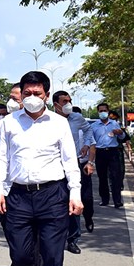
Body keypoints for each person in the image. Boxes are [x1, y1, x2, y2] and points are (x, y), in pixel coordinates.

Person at [0, 71, 83, 266]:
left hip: (52, 195)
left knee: (53, 258)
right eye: (27, 94)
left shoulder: (58, 123)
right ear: (22, 94)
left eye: (37, 94)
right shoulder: (9, 123)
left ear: (46, 94)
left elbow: (69, 161)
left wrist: (74, 194)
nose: (32, 98)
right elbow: (1, 159)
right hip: (18, 196)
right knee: (21, 255)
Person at [52, 91, 95, 254]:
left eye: (70, 100)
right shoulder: (49, 119)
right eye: (65, 101)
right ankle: (56, 238)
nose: (68, 104)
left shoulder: (77, 118)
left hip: (74, 162)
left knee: (75, 199)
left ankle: (73, 239)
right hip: (55, 165)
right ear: (56, 104)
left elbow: (89, 131)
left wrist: (87, 144)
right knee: (57, 203)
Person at [91, 103, 124, 209]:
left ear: (108, 111)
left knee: (115, 177)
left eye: (104, 110)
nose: (102, 113)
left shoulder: (114, 123)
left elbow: (123, 136)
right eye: (100, 111)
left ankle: (117, 201)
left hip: (113, 152)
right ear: (98, 112)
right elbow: (91, 141)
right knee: (102, 177)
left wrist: (119, 132)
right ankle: (104, 199)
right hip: (100, 153)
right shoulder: (94, 126)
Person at [72, 106, 96, 233]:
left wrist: (90, 163)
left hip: (83, 165)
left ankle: (88, 218)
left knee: (86, 196)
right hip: (69, 165)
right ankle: (73, 233)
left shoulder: (86, 131)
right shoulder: (65, 128)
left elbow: (92, 147)